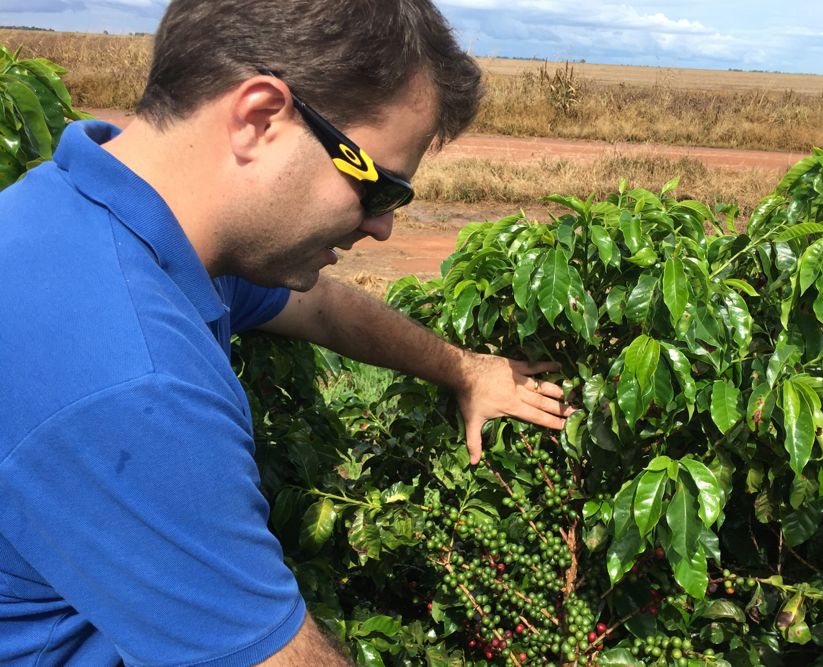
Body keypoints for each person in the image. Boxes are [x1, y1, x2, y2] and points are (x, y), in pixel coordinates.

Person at [0, 0, 572, 664]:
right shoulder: (132, 381)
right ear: (261, 117)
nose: (383, 227)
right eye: (379, 188)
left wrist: (466, 368)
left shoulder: (85, 211)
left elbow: (322, 307)